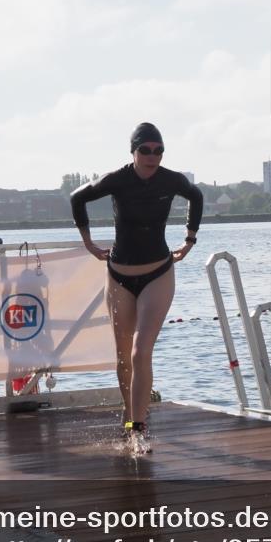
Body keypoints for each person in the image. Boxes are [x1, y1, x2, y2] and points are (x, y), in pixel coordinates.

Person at [70, 122, 203, 453]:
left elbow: (196, 196)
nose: (152, 156)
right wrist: (87, 242)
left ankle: (139, 429)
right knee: (123, 355)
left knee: (140, 350)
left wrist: (190, 239)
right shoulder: (118, 178)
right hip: (118, 276)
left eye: (158, 150)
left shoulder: (171, 180)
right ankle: (130, 420)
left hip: (158, 272)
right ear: (133, 151)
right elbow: (77, 198)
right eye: (146, 150)